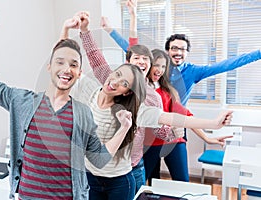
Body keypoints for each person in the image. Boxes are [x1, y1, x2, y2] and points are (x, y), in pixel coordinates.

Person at [0, 11, 139, 200]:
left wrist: (125, 128)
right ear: (49, 66)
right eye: (60, 62)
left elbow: (99, 158)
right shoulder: (22, 102)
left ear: (79, 73)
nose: (66, 69)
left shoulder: (82, 113)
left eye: (73, 64)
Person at [68, 10, 233, 194]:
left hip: (130, 167)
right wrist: (85, 30)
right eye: (136, 58)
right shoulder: (110, 81)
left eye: (146, 58)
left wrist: (177, 132)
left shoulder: (152, 97)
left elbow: (166, 121)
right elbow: (95, 57)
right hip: (96, 168)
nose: (141, 61)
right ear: (127, 62)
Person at [102, 0, 261, 182]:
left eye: (182, 49)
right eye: (174, 48)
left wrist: (258, 54)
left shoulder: (194, 72)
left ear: (187, 53)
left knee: (182, 182)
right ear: (167, 52)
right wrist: (122, 23)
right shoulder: (153, 72)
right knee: (149, 182)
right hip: (149, 133)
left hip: (176, 132)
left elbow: (226, 65)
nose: (178, 52)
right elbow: (131, 50)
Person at [144, 49, 232, 185]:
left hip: (174, 141)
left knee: (183, 183)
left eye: (163, 66)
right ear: (148, 65)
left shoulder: (168, 91)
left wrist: (207, 138)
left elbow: (185, 115)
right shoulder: (141, 90)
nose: (160, 70)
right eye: (157, 65)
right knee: (148, 182)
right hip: (150, 144)